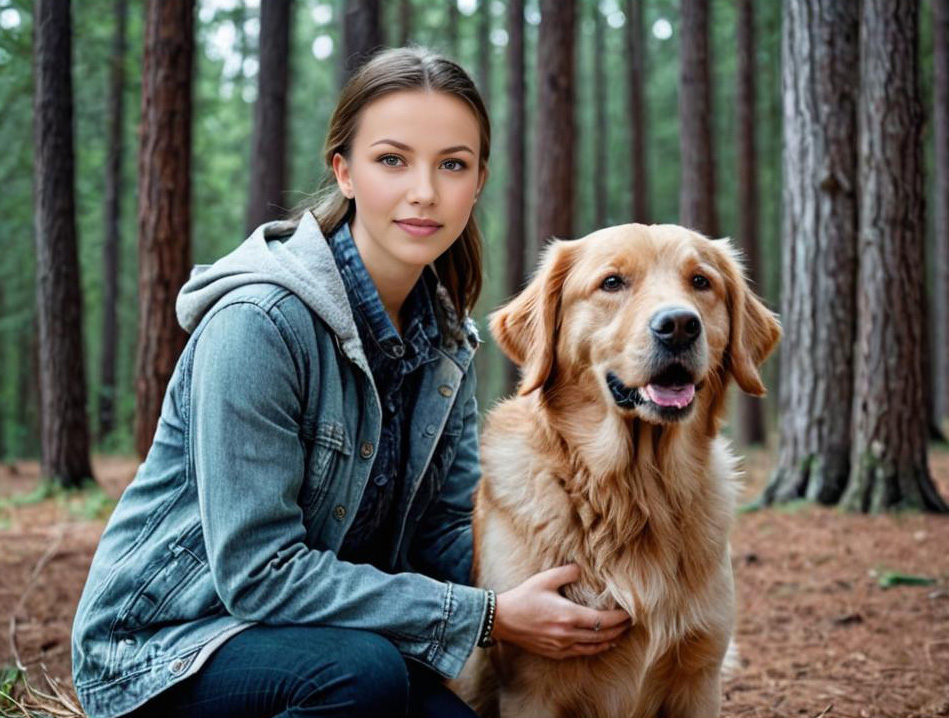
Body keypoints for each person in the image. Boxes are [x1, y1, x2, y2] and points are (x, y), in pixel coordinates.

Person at [70, 47, 630, 718]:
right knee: (360, 678)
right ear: (345, 172)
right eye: (392, 160)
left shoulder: (446, 343)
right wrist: (489, 616)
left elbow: (446, 533)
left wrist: (582, 570)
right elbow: (258, 573)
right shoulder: (259, 325)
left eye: (451, 164)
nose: (423, 191)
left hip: (326, 637)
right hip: (165, 648)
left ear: (477, 180)